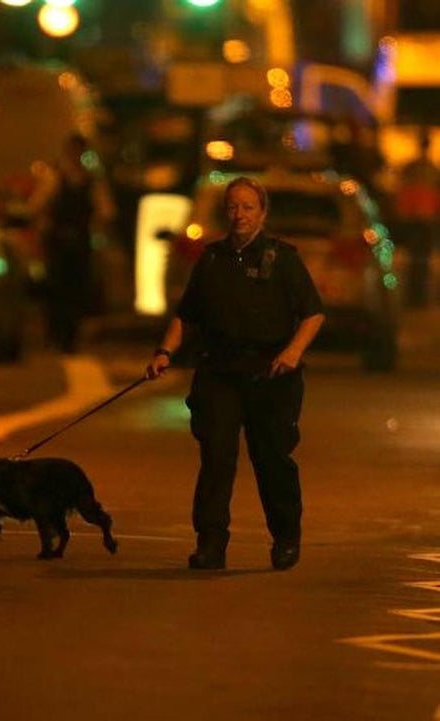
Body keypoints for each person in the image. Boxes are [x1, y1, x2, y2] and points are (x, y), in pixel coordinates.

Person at [145, 176, 325, 572]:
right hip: (220, 371)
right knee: (216, 457)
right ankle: (211, 543)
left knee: (272, 458)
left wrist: (293, 351)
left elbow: (313, 312)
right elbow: (186, 315)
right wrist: (164, 352)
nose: (239, 214)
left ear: (262, 212)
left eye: (247, 207)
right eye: (232, 207)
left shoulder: (283, 259)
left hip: (270, 374)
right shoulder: (211, 260)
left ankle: (285, 538)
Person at [34, 133, 114, 353]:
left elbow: (105, 211)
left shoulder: (90, 181)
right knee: (56, 289)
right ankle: (57, 333)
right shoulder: (54, 177)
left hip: (79, 243)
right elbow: (37, 204)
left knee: (77, 290)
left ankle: (70, 335)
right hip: (59, 243)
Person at [394, 130, 440, 308]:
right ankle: (416, 295)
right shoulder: (428, 169)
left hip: (419, 219)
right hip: (420, 219)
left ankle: (416, 295)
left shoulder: (416, 168)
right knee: (419, 259)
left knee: (419, 259)